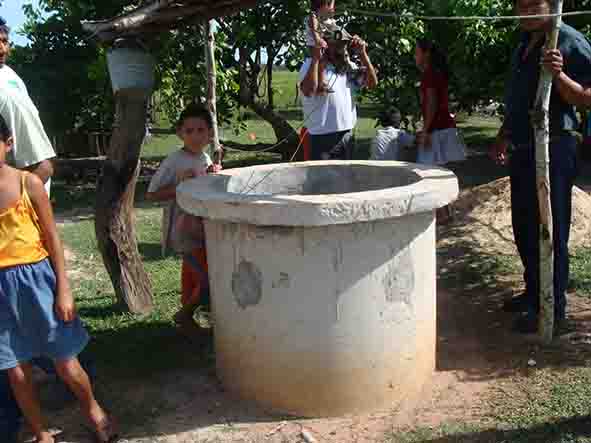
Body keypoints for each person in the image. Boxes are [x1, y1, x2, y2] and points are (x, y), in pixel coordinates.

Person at [0, 115, 116, 443]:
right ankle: (40, 433)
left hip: (36, 281)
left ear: (8, 143)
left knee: (65, 362)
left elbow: (52, 237)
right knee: (15, 370)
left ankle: (94, 411)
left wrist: (63, 289)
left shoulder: (28, 184)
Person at [490, 0, 591, 334]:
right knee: (524, 225)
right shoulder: (522, 43)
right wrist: (504, 134)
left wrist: (559, 74)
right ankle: (534, 293)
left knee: (551, 228)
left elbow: (585, 97)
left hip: (554, 145)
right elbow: (518, 98)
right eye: (521, 5)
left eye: (535, 4)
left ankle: (553, 307)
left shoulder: (569, 41)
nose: (526, 11)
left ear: (553, 5)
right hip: (522, 146)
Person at [146, 105, 222, 337]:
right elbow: (152, 194)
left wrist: (212, 175)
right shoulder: (173, 160)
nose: (196, 136)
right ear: (180, 133)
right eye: (189, 131)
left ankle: (188, 320)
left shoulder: (205, 157)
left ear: (209, 133)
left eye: (201, 130)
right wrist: (179, 184)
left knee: (192, 275)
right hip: (183, 232)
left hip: (201, 230)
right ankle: (185, 315)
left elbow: (205, 190)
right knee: (208, 279)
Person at [299, 32, 377, 160]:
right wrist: (316, 60)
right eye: (338, 45)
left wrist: (363, 54)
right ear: (326, 45)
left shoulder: (347, 66)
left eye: (344, 44)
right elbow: (308, 91)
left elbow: (372, 83)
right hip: (321, 136)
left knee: (346, 177)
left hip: (347, 133)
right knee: (322, 178)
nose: (343, 48)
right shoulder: (310, 65)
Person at [0, 17, 55, 196]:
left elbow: (43, 167)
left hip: (27, 189)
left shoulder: (10, 76)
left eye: (4, 41)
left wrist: (17, 202)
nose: (2, 48)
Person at [414, 39, 466, 167]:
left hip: (438, 131)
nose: (414, 56)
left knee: (425, 173)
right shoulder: (434, 73)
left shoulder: (429, 75)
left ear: (426, 54)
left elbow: (432, 104)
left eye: (416, 52)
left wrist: (425, 131)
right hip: (442, 128)